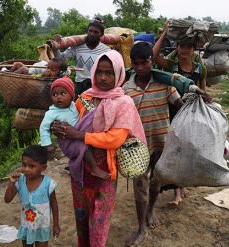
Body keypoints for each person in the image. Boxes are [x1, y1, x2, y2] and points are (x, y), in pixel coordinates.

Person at [51, 50, 146, 247]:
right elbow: (69, 123)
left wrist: (79, 135)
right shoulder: (84, 98)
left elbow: (114, 139)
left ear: (119, 74)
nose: (102, 77)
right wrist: (57, 126)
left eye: (109, 73)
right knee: (82, 217)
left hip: (105, 171)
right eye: (99, 72)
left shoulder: (124, 103)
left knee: (99, 220)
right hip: (80, 169)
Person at [123, 42, 184, 245]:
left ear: (152, 61)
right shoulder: (126, 90)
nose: (140, 68)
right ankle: (141, 228)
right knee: (140, 182)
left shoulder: (164, 84)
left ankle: (150, 209)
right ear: (131, 64)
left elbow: (181, 107)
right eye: (136, 63)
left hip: (162, 142)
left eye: (145, 62)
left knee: (157, 180)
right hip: (137, 147)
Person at [153, 21, 209, 205]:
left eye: (188, 46)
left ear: (194, 49)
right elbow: (153, 55)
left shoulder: (200, 69)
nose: (184, 49)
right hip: (172, 114)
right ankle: (176, 192)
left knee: (188, 151)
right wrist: (165, 33)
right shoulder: (171, 66)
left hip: (190, 116)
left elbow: (203, 92)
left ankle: (182, 185)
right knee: (175, 151)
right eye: (181, 45)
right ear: (176, 47)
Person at [39, 76, 111, 179]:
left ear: (72, 95)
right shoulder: (51, 113)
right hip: (67, 140)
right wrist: (48, 144)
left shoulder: (74, 105)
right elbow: (43, 128)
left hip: (76, 135)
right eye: (54, 94)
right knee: (84, 147)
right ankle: (95, 168)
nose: (58, 97)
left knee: (88, 138)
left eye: (63, 93)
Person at [4, 145, 60, 247]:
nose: (26, 169)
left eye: (31, 166)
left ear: (43, 168)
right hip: (26, 227)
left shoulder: (48, 184)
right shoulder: (20, 181)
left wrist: (56, 224)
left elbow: (54, 204)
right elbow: (7, 200)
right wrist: (11, 183)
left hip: (42, 227)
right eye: (24, 165)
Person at [51, 17, 111, 100]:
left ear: (101, 34)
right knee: (78, 109)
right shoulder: (77, 47)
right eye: (90, 31)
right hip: (79, 85)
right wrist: (56, 46)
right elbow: (61, 59)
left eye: (96, 32)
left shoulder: (106, 50)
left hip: (97, 86)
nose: (92, 34)